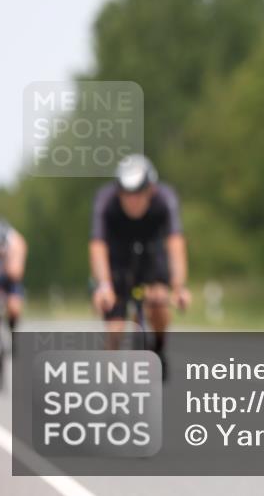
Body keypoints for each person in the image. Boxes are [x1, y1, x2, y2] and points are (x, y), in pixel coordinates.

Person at [89, 154, 191, 373]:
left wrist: (179, 287)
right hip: (117, 259)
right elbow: (98, 246)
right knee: (115, 329)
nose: (133, 201)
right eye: (127, 195)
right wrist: (104, 286)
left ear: (151, 190)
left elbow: (175, 244)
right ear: (118, 192)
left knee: (159, 301)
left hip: (151, 256)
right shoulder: (105, 200)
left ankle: (159, 348)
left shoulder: (165, 198)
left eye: (138, 194)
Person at [0, 218, 28, 336]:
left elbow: (17, 273)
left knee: (14, 307)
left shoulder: (17, 242)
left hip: (10, 278)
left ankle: (12, 329)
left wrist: (7, 267)